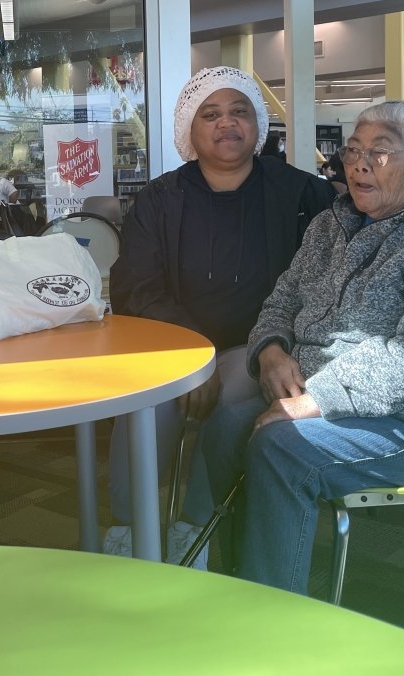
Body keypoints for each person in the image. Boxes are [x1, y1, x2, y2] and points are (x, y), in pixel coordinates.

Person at [202, 100, 404, 593]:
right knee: (225, 428)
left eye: (380, 152)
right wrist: (271, 351)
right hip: (327, 400)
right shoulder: (331, 225)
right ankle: (239, 582)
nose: (360, 165)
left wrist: (317, 399)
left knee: (283, 448)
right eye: (353, 151)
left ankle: (272, 614)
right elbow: (282, 299)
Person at [105, 66, 336, 567]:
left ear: (258, 124)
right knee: (146, 400)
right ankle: (130, 529)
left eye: (239, 111)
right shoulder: (160, 199)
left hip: (263, 348)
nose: (226, 123)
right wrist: (192, 355)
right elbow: (134, 286)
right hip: (177, 346)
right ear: (189, 130)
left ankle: (194, 528)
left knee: (232, 398)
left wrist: (271, 345)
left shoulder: (304, 195)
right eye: (210, 114)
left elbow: (326, 283)